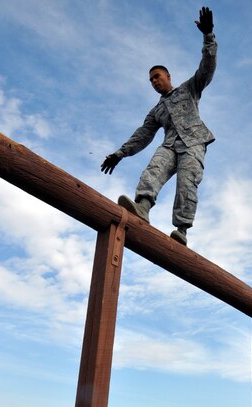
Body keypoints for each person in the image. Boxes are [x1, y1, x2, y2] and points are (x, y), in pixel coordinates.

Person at [101, 7, 217, 246]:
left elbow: (206, 68)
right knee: (154, 168)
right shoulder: (157, 110)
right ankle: (142, 207)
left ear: (167, 75)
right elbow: (142, 135)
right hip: (170, 144)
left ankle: (182, 230)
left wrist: (208, 37)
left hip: (194, 144)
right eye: (151, 80)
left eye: (157, 76)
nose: (154, 82)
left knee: (187, 184)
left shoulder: (189, 89)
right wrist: (120, 154)